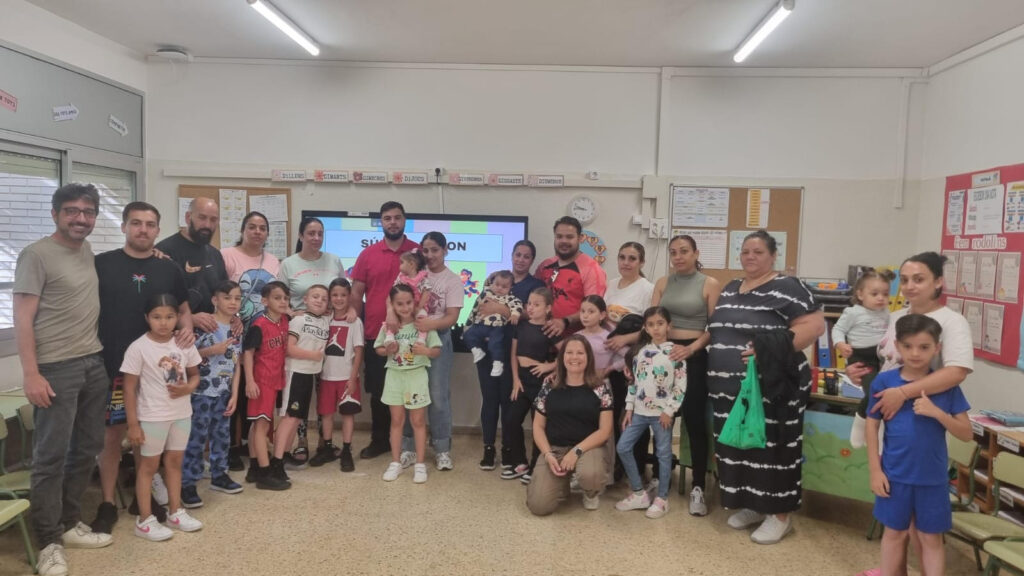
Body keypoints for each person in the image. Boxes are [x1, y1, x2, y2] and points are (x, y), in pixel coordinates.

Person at [14, 184, 114, 575]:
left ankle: (69, 522)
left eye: (88, 212)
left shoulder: (86, 251)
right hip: (55, 368)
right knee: (50, 457)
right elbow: (23, 318)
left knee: (86, 449)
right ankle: (48, 542)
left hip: (92, 363)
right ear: (55, 213)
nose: (80, 218)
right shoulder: (36, 254)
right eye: (72, 211)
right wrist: (31, 373)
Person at [707, 230, 824, 544]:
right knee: (740, 447)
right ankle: (754, 505)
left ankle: (780, 515)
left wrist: (767, 351)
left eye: (758, 252)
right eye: (745, 251)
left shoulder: (789, 287)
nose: (750, 257)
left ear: (773, 255)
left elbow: (813, 326)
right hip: (731, 392)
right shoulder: (731, 287)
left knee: (772, 449)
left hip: (771, 387)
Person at [93, 201, 193, 535]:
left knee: (145, 438)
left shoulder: (169, 268)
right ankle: (108, 502)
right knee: (112, 437)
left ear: (158, 230)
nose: (143, 229)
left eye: (150, 225)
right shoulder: (102, 264)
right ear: (124, 226)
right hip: (112, 364)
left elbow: (183, 309)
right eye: (136, 223)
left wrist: (187, 330)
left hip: (155, 371)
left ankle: (143, 499)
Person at [866, 314, 971, 576]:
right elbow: (871, 425)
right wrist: (875, 471)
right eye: (908, 346)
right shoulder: (884, 383)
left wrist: (937, 413)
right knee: (894, 534)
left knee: (931, 538)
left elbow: (966, 433)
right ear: (897, 346)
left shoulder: (946, 387)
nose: (915, 353)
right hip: (894, 476)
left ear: (937, 348)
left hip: (932, 479)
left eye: (924, 347)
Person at [848, 252, 974, 447]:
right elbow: (882, 361)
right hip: (885, 413)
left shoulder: (953, 322)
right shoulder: (894, 317)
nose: (909, 286)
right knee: (880, 464)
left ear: (938, 281)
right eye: (904, 280)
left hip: (921, 418)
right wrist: (856, 370)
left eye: (918, 280)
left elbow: (956, 372)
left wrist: (902, 393)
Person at [648, 234, 721, 516]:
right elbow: (651, 320)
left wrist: (691, 349)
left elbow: (715, 328)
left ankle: (698, 485)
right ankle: (659, 476)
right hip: (664, 356)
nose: (678, 257)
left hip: (694, 357)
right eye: (673, 252)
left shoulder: (709, 283)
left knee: (693, 420)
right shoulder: (662, 283)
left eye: (684, 251)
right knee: (660, 418)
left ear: (695, 253)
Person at [121, 293, 204, 541]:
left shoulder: (183, 343)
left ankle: (175, 512)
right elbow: (128, 388)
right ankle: (145, 520)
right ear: (147, 318)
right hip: (152, 416)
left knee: (175, 462)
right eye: (157, 317)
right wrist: (133, 424)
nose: (163, 322)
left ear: (177, 317)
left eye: (169, 317)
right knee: (148, 467)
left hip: (181, 414)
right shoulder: (138, 347)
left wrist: (188, 388)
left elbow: (195, 375)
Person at [349, 201, 419, 459]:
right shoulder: (368, 254)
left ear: (404, 220)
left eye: (397, 217)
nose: (393, 222)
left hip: (411, 335)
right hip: (375, 335)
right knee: (379, 390)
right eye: (387, 218)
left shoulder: (417, 252)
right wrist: (355, 327)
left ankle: (409, 442)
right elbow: (357, 293)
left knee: (411, 388)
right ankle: (380, 440)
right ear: (381, 222)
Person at [277, 216, 345, 463]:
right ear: (301, 236)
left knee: (324, 389)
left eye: (320, 233)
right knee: (300, 393)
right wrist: (291, 313)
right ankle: (301, 441)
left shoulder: (334, 260)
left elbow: (342, 293)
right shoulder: (289, 264)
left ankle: (325, 442)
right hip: (301, 334)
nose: (316, 238)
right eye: (311, 233)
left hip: (327, 331)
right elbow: (278, 296)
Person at [474, 240, 545, 472]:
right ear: (512, 255)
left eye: (526, 256)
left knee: (508, 402)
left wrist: (501, 310)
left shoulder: (535, 285)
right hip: (488, 350)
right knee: (489, 400)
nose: (521, 259)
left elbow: (531, 314)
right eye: (518, 254)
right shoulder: (495, 279)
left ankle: (507, 448)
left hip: (514, 352)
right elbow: (481, 307)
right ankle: (488, 448)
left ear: (532, 260)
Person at [525, 335, 614, 516]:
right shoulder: (549, 386)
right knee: (538, 506)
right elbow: (538, 427)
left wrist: (576, 451)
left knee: (590, 474)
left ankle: (590, 493)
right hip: (555, 448)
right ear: (562, 357)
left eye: (580, 353)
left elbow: (605, 430)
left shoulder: (600, 388)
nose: (574, 357)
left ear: (588, 357)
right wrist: (547, 454)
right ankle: (562, 484)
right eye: (569, 352)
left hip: (588, 448)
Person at [220, 210, 281, 472]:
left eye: (262, 228)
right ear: (243, 230)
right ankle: (230, 447)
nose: (257, 231)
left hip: (262, 338)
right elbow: (220, 292)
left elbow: (276, 297)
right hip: (233, 333)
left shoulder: (273, 261)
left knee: (252, 391)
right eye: (252, 227)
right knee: (232, 390)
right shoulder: (227, 255)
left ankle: (248, 442)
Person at [397, 231, 463, 471]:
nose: (430, 255)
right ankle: (409, 447)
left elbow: (452, 317)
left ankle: (442, 449)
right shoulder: (411, 273)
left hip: (438, 339)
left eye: (435, 250)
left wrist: (429, 325)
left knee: (437, 395)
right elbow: (394, 299)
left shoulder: (452, 280)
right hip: (409, 338)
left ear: (445, 250)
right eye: (425, 250)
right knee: (409, 394)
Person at [615, 307, 686, 519]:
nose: (656, 328)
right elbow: (634, 382)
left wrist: (669, 411)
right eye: (651, 324)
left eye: (660, 323)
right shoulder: (640, 353)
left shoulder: (676, 353)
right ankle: (639, 493)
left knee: (663, 455)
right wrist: (629, 408)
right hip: (639, 412)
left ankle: (662, 498)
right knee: (623, 446)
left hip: (661, 415)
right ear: (645, 328)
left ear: (669, 326)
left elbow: (680, 386)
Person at [182, 281, 244, 509]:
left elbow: (237, 364)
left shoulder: (237, 329)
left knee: (222, 436)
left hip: (224, 393)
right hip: (201, 393)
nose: (233, 302)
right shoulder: (204, 326)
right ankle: (188, 483)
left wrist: (235, 394)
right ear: (215, 300)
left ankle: (219, 475)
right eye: (227, 297)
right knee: (196, 439)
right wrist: (212, 350)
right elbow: (186, 357)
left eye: (237, 298)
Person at [374, 284, 442, 483]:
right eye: (400, 304)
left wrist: (426, 351)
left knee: (418, 421)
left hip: (416, 377)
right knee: (396, 421)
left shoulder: (423, 325)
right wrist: (387, 350)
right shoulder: (389, 326)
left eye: (408, 303)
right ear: (392, 305)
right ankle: (395, 462)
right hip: (394, 377)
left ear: (415, 302)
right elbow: (378, 348)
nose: (405, 308)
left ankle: (420, 464)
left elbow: (436, 350)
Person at [272, 284, 329, 475]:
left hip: (308, 375)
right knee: (289, 418)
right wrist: (313, 356)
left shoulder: (324, 321)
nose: (319, 300)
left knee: (296, 419)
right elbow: (289, 348)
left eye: (324, 298)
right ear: (305, 299)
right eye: (315, 296)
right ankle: (276, 461)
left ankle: (285, 454)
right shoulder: (299, 320)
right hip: (295, 373)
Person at [503, 288, 558, 481]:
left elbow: (568, 353)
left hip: (540, 385)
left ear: (548, 308)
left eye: (537, 304)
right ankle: (520, 462)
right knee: (511, 420)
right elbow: (513, 355)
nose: (531, 308)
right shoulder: (521, 326)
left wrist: (549, 366)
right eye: (529, 304)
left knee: (538, 425)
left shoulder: (549, 330)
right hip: (522, 382)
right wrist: (515, 379)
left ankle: (536, 466)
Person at [242, 281, 291, 491]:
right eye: (277, 298)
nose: (283, 302)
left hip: (275, 379)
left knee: (259, 425)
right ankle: (264, 473)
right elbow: (248, 353)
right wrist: (250, 381)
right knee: (261, 426)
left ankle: (254, 466)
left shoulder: (284, 321)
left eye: (286, 298)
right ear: (264, 301)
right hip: (261, 381)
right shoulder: (259, 325)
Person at [312, 278, 364, 471]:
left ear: (349, 296)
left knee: (347, 413)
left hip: (346, 377)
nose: (339, 298)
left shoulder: (355, 321)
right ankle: (327, 447)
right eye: (334, 295)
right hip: (326, 376)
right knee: (326, 413)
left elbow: (359, 351)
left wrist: (353, 378)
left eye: (343, 295)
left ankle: (347, 450)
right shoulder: (325, 318)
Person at [155, 197, 228, 334]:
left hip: (212, 336)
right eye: (202, 218)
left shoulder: (215, 254)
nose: (207, 225)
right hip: (177, 336)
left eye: (213, 220)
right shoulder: (164, 251)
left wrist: (233, 317)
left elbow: (225, 293)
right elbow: (156, 302)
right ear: (188, 217)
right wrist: (189, 319)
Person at [535, 216, 607, 338]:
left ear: (580, 238)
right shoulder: (545, 265)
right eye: (559, 236)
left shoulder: (592, 269)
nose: (564, 241)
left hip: (574, 342)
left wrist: (565, 321)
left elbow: (594, 309)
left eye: (569, 237)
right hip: (541, 338)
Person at [463, 270, 523, 378]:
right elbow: (476, 308)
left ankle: (497, 362)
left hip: (497, 327)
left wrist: (515, 315)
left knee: (495, 344)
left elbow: (517, 305)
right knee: (468, 334)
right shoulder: (486, 294)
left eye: (504, 287)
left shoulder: (509, 297)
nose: (499, 288)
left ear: (510, 288)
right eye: (497, 284)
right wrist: (470, 322)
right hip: (481, 324)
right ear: (492, 283)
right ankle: (477, 350)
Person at [833, 268, 894, 373]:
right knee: (868, 380)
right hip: (860, 356)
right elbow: (838, 329)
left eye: (885, 294)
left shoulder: (886, 312)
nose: (881, 298)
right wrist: (840, 343)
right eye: (874, 294)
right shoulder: (853, 312)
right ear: (860, 295)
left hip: (880, 355)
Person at [384, 249, 431, 344]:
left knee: (423, 317)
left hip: (418, 306)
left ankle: (421, 338)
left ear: (411, 264)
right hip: (403, 306)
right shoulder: (401, 277)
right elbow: (394, 291)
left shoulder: (422, 278)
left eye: (402, 262)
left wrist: (419, 307)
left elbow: (426, 293)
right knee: (392, 318)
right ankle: (389, 336)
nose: (399, 266)